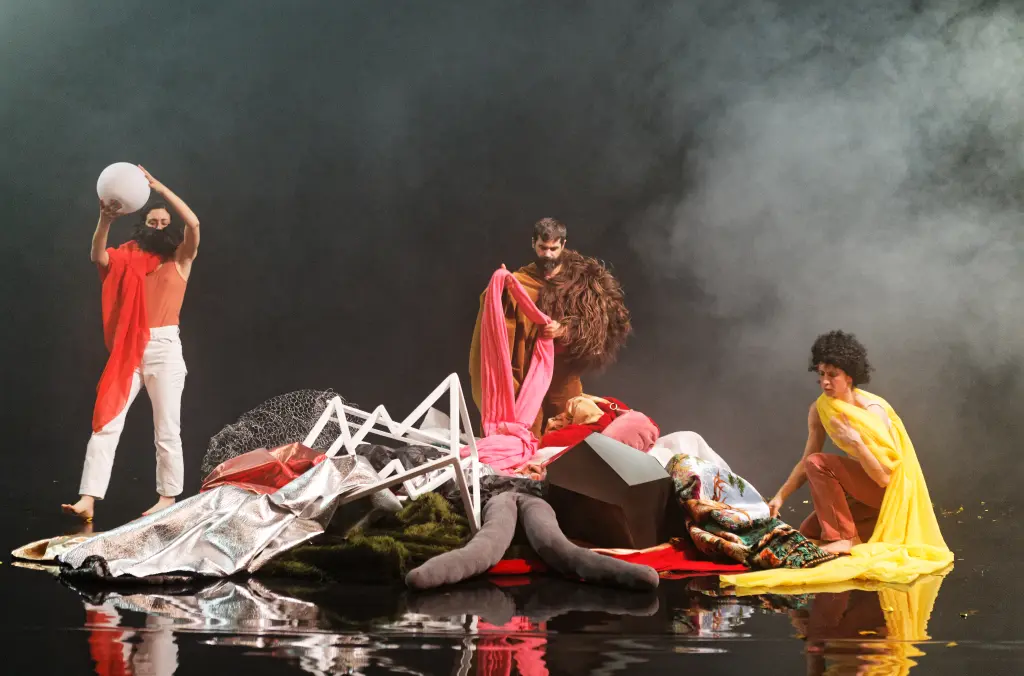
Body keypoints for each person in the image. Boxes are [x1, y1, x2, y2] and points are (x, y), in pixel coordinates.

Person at [62, 166, 200, 521]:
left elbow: (194, 223)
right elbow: (98, 256)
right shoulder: (128, 256)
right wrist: (104, 220)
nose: (159, 227)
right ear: (142, 225)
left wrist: (159, 188)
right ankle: (88, 498)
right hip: (131, 348)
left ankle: (168, 498)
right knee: (107, 421)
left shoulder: (181, 258)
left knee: (167, 429)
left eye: (164, 222)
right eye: (152, 222)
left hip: (165, 349)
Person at [469, 218, 632, 438]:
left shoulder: (582, 281)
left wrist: (564, 330)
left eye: (553, 249)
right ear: (533, 243)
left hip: (562, 372)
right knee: (528, 430)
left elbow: (601, 322)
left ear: (563, 244)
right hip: (529, 373)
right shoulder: (523, 279)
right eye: (542, 248)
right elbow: (501, 316)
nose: (547, 254)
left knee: (568, 430)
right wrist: (502, 288)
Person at [767, 331, 908, 554]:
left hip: (888, 493)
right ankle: (855, 534)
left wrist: (856, 442)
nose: (825, 381)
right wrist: (780, 497)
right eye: (821, 373)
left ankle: (846, 538)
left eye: (833, 375)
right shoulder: (820, 408)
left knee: (818, 463)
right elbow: (805, 461)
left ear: (849, 376)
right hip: (860, 493)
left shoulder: (871, 411)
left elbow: (884, 478)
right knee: (809, 532)